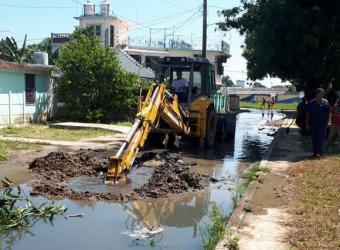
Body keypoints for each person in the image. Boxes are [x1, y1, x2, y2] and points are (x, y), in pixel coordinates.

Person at [306, 88, 331, 158]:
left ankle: (319, 153)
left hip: (322, 124)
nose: (322, 95)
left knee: (321, 138)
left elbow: (329, 112)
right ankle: (315, 153)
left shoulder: (325, 102)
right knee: (314, 139)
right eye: (321, 93)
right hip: (313, 124)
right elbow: (308, 114)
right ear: (317, 94)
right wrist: (307, 123)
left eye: (323, 93)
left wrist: (328, 122)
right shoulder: (311, 103)